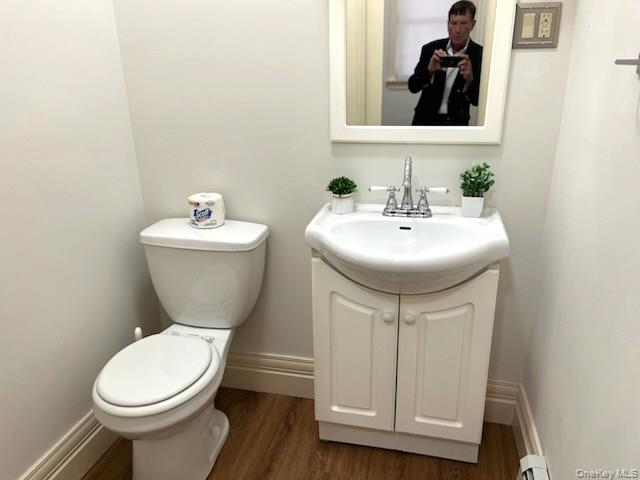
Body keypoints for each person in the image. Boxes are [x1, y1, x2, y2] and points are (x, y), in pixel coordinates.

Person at [408, 1, 483, 126]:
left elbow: (477, 101)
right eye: (453, 23)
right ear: (448, 24)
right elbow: (413, 86)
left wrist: (470, 80)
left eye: (463, 23)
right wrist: (429, 71)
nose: (458, 30)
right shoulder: (430, 49)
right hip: (424, 120)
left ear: (472, 24)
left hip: (457, 123)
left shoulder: (479, 54)